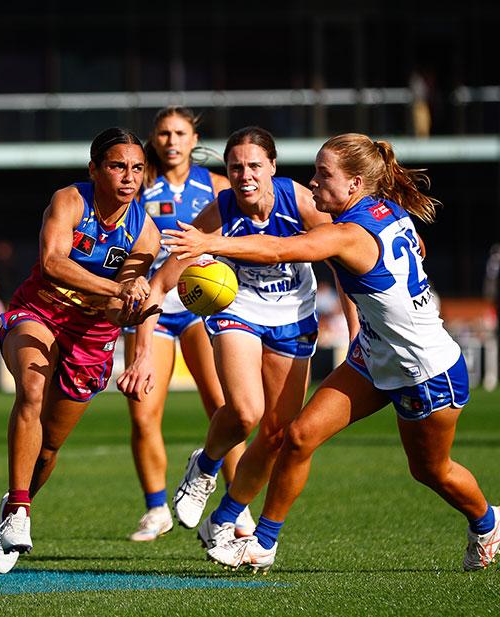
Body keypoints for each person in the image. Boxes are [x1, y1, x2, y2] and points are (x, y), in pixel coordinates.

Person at [164, 133, 498, 572]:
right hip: (373, 356)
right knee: (299, 435)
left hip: (425, 370)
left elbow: (280, 248)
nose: (314, 181)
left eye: (324, 174)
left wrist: (211, 243)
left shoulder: (348, 234)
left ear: (355, 184)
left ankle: (487, 523)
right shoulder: (383, 210)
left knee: (431, 471)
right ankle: (262, 543)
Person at [138, 127, 334, 552]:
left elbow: (342, 257)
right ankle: (205, 467)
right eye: (236, 167)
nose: (245, 175)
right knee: (246, 412)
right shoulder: (220, 209)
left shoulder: (300, 200)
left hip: (293, 314)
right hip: (239, 308)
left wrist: (356, 331)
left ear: (273, 167)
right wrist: (142, 341)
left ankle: (224, 518)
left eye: (254, 166)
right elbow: (165, 278)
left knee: (277, 435)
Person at [0, 128, 161, 574]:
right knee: (31, 390)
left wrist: (132, 306)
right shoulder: (69, 200)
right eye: (117, 166)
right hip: (39, 312)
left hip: (92, 335)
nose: (129, 177)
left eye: (137, 168)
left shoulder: (146, 233)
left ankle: (15, 504)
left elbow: (122, 306)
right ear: (94, 169)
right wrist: (117, 288)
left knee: (48, 447)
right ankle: (18, 511)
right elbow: (52, 263)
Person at [123, 107, 250, 542]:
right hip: (151, 307)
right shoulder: (138, 184)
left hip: (202, 306)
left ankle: (238, 507)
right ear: (154, 138)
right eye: (164, 133)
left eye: (180, 133)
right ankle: (156, 509)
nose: (172, 141)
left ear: (194, 138)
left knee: (225, 408)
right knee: (143, 412)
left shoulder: (217, 186)